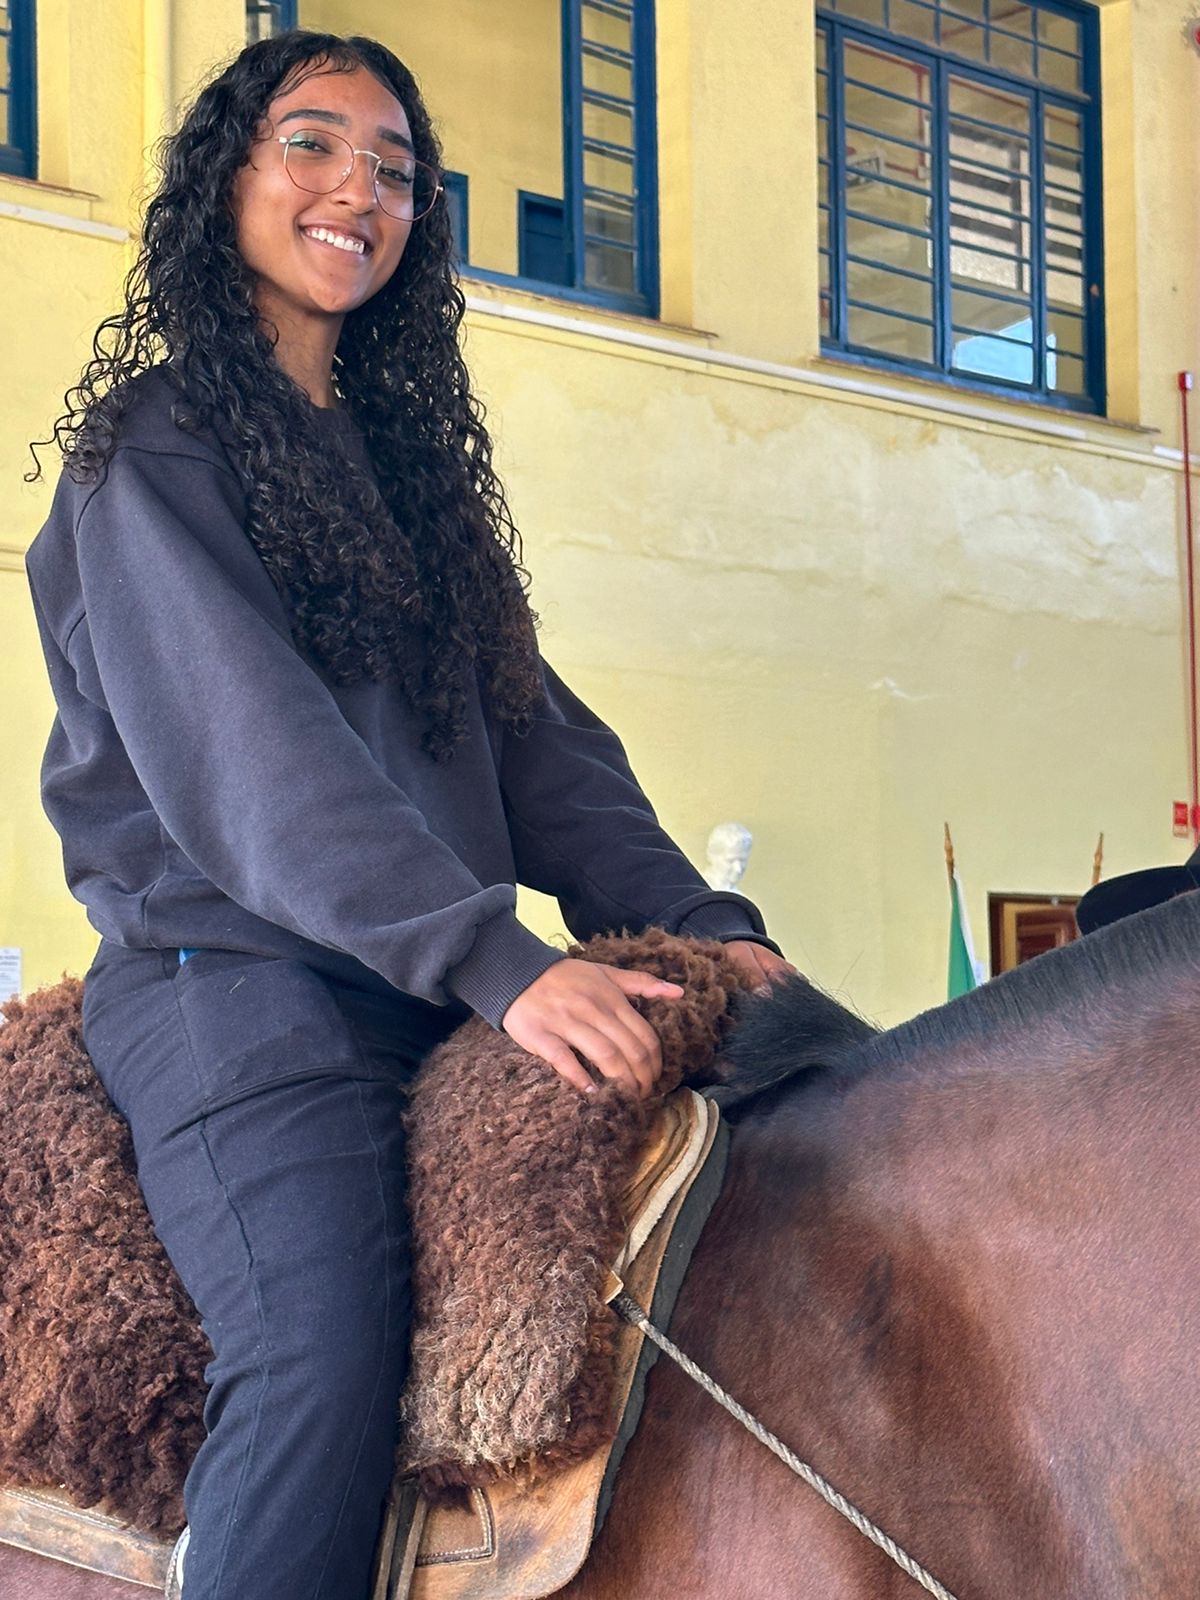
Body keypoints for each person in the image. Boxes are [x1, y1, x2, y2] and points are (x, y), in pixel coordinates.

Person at [24, 30, 791, 1600]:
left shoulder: (404, 475)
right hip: (228, 991)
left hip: (416, 988)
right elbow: (258, 762)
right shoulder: (148, 455)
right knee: (319, 1352)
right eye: (312, 147)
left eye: (395, 171)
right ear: (226, 181)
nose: (356, 191)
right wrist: (504, 966)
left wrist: (707, 927)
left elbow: (538, 742)